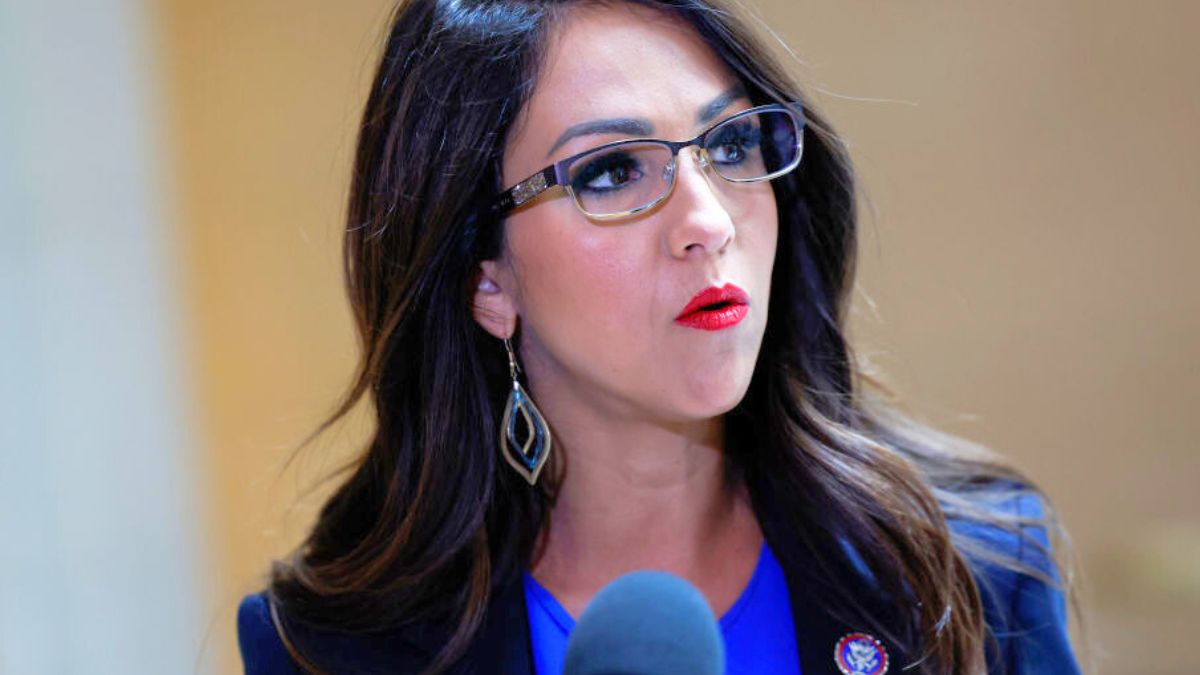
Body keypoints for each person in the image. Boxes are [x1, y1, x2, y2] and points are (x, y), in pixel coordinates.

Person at [236, 0, 1082, 673]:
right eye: (611, 171)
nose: (708, 221)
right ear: (486, 279)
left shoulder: (975, 563)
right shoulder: (330, 648)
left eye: (730, 143)